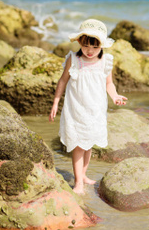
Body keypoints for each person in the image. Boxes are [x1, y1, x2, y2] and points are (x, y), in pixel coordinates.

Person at [49, 18, 127, 194]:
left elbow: (109, 84)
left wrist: (114, 96)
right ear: (79, 42)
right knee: (78, 144)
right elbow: (62, 81)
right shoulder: (73, 59)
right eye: (86, 46)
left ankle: (83, 174)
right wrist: (55, 102)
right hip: (76, 108)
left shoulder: (105, 61)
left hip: (95, 108)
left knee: (89, 143)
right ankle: (78, 183)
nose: (90, 51)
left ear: (102, 46)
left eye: (95, 47)